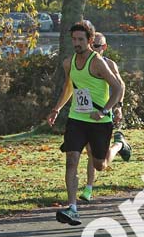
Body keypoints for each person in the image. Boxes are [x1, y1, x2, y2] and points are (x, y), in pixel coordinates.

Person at [46, 21, 124, 226]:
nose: (77, 43)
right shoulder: (68, 62)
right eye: (74, 39)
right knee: (72, 159)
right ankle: (72, 208)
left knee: (100, 164)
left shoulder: (97, 62)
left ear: (90, 40)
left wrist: (105, 110)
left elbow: (117, 88)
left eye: (81, 39)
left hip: (99, 122)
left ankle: (119, 145)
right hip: (76, 119)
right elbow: (68, 87)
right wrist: (57, 109)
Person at [79, 32, 131, 202]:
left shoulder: (109, 64)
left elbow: (120, 86)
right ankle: (88, 189)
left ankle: (119, 145)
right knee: (90, 153)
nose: (93, 49)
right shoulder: (79, 62)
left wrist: (118, 107)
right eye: (92, 45)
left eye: (97, 46)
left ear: (104, 47)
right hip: (83, 114)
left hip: (102, 114)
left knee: (99, 163)